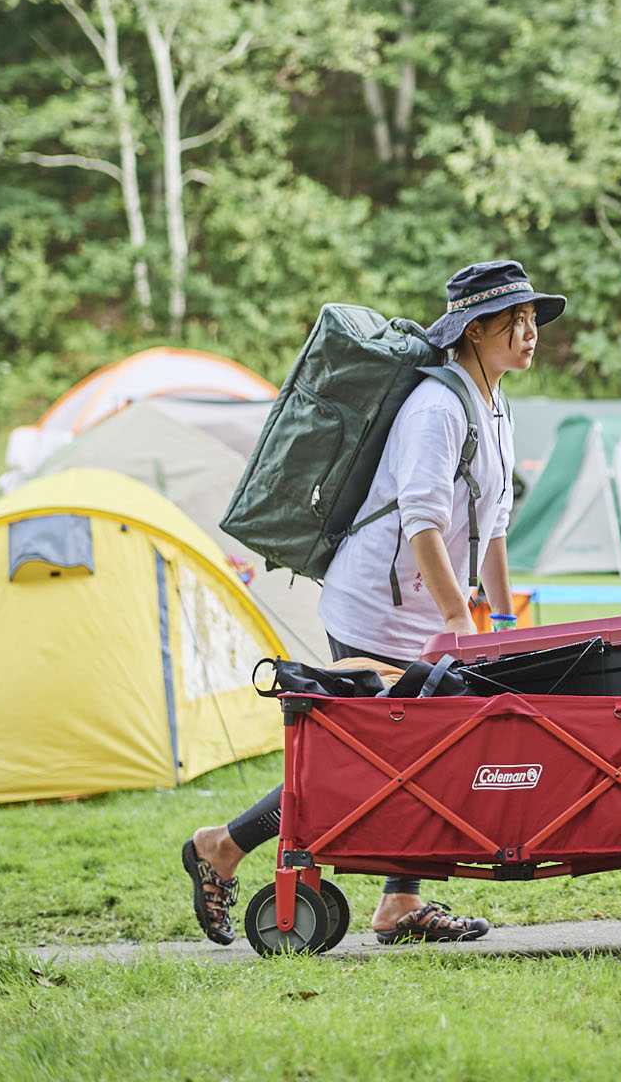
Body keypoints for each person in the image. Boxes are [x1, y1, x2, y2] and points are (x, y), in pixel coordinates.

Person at [181, 260, 565, 945]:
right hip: (376, 612)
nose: (532, 333)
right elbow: (420, 521)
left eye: (535, 319)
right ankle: (223, 845)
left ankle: (398, 903)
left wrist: (500, 623)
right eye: (518, 320)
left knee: (434, 755)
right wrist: (456, 622)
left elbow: (496, 524)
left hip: (428, 615)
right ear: (476, 330)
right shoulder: (436, 409)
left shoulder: (496, 405)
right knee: (358, 766)